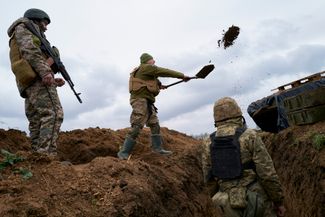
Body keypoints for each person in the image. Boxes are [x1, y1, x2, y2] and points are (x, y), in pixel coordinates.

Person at [201, 97, 286, 217]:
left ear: (216, 117)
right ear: (237, 113)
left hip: (226, 203)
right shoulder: (250, 136)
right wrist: (278, 201)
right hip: (256, 199)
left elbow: (208, 179)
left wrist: (217, 202)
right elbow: (267, 173)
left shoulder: (207, 143)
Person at [7, 8, 64, 155]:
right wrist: (46, 72)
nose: (45, 27)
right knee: (53, 113)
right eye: (44, 23)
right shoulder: (24, 28)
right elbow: (31, 51)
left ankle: (37, 156)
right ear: (35, 20)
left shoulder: (21, 32)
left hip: (29, 81)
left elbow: (30, 57)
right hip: (36, 80)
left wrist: (52, 76)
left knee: (37, 119)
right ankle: (47, 156)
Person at [117, 53, 190, 160]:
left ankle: (157, 149)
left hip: (147, 101)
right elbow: (162, 71)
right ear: (147, 61)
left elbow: (152, 80)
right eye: (152, 60)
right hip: (140, 101)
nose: (154, 61)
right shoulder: (145, 68)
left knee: (154, 124)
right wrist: (182, 76)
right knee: (137, 125)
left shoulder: (144, 71)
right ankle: (123, 152)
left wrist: (160, 86)